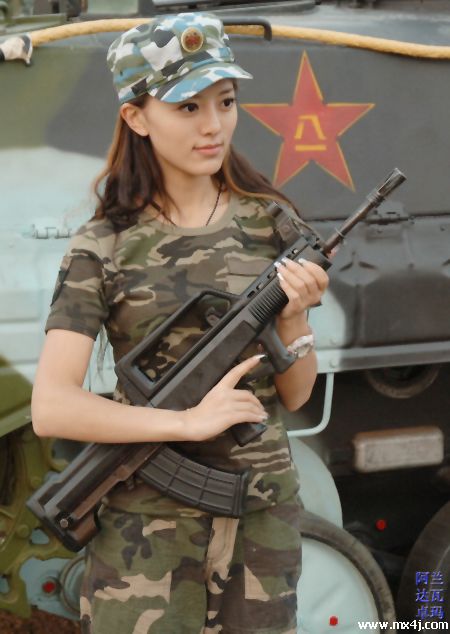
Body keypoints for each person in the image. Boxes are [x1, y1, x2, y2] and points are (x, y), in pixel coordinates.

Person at [31, 12, 329, 634]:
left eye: (225, 101)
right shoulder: (104, 246)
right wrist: (185, 422)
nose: (213, 125)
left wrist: (295, 316)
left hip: (261, 520)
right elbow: (53, 407)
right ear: (137, 117)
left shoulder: (273, 225)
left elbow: (296, 395)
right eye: (188, 107)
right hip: (147, 534)